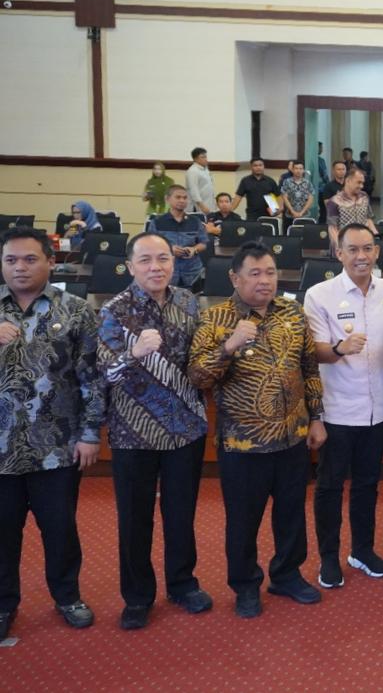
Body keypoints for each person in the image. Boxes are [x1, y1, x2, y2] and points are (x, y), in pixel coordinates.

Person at [188, 241, 326, 619]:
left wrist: (316, 417)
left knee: (291, 514)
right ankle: (245, 585)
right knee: (243, 522)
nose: (265, 280)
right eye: (255, 273)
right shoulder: (216, 318)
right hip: (243, 444)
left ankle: (287, 575)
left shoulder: (292, 313)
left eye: (270, 272)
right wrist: (229, 346)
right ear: (235, 278)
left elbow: (310, 368)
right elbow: (197, 376)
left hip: (292, 437)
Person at [97, 232, 211, 629]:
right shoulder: (114, 310)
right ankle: (137, 596)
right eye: (145, 260)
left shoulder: (189, 302)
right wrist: (134, 352)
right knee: (135, 519)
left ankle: (183, 584)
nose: (155, 267)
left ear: (173, 262)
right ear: (130, 266)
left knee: (181, 514)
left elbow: (200, 359)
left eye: (162, 258)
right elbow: (102, 373)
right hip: (134, 433)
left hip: (185, 429)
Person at [0, 227, 104, 638]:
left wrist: (90, 433)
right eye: (11, 260)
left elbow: (92, 378)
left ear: (50, 261)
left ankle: (67, 596)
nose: (20, 268)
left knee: (60, 530)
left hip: (57, 447)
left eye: (30, 259)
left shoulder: (76, 310)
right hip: (1, 449)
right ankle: (3, 604)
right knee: (2, 534)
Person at [304, 224, 383, 589]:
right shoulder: (319, 295)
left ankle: (362, 550)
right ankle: (329, 557)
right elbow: (312, 352)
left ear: (376, 251)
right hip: (337, 409)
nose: (361, 256)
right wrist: (339, 349)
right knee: (330, 487)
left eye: (367, 249)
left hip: (379, 408)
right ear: (340, 253)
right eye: (353, 250)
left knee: (367, 485)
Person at [147, 185, 209, 289]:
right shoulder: (157, 222)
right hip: (166, 273)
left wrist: (194, 249)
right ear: (167, 199)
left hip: (192, 273)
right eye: (178, 197)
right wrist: (168, 250)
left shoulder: (195, 221)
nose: (182, 200)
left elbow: (203, 243)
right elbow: (150, 245)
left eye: (185, 198)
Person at [325, 168, 377, 256]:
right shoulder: (334, 201)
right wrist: (341, 246)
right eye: (358, 182)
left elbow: (368, 218)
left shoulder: (364, 197)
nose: (361, 186)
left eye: (362, 183)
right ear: (348, 181)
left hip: (362, 244)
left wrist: (376, 236)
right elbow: (332, 228)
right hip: (344, 248)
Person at [280, 160, 314, 228]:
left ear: (303, 170)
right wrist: (293, 211)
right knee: (289, 233)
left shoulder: (308, 183)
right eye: (296, 168)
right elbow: (284, 198)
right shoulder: (287, 182)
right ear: (292, 170)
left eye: (300, 169)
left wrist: (301, 212)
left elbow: (310, 199)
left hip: (304, 215)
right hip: (289, 216)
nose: (298, 171)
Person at [186, 147, 215, 215]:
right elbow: (194, 191)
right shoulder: (192, 171)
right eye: (202, 157)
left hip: (208, 204)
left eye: (206, 157)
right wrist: (202, 206)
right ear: (195, 159)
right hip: (198, 207)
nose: (205, 159)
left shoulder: (205, 169)